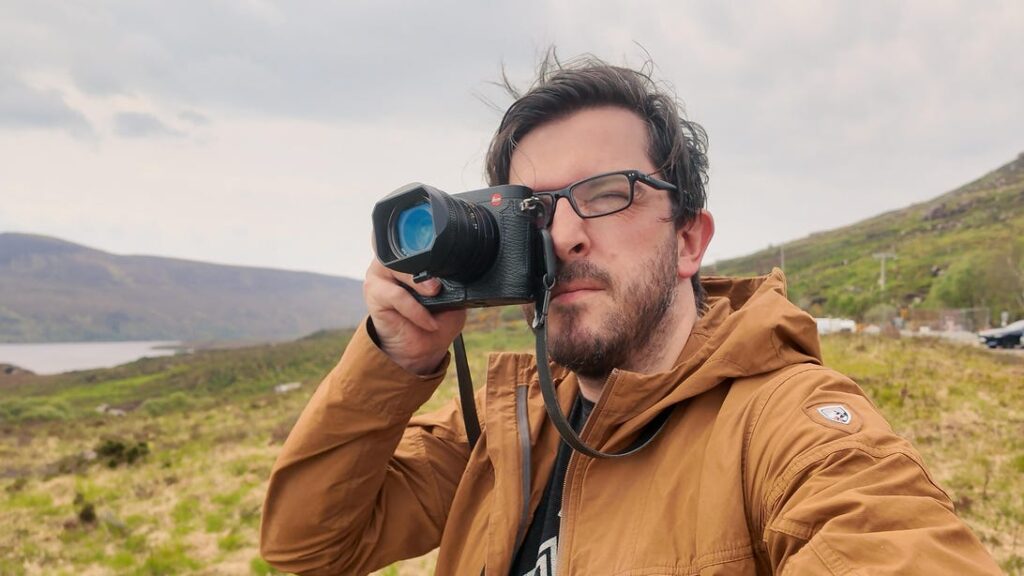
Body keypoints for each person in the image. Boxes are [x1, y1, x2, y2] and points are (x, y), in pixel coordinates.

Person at [260, 54, 1000, 575]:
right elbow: (308, 545)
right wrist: (398, 355)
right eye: (534, 210)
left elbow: (885, 535)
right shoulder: (506, 424)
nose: (564, 234)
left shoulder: (783, 427)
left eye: (608, 193)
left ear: (688, 241)